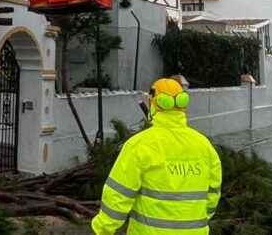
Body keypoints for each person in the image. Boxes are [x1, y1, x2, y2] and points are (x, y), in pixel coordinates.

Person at [92, 78, 223, 234]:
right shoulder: (204, 146)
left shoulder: (139, 146)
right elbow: (213, 195)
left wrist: (102, 229)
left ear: (153, 105)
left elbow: (118, 195)